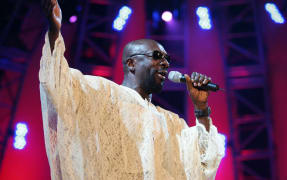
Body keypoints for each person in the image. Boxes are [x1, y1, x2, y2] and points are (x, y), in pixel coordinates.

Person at [40, 0, 225, 179]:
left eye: (167, 58)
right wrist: (54, 30)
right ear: (131, 63)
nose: (166, 63)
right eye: (157, 56)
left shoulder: (171, 123)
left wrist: (201, 109)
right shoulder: (101, 93)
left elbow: (203, 165)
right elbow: (57, 83)